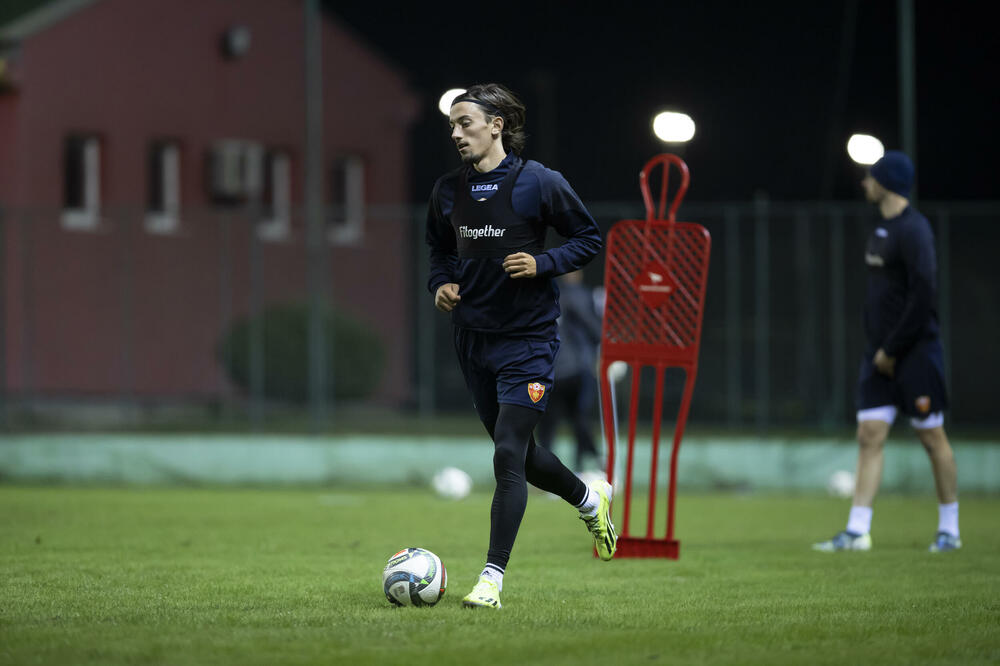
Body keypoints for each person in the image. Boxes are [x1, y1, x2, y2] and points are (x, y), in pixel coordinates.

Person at [425, 83, 616, 609]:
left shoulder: (540, 183)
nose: (457, 133)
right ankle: (587, 497)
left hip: (528, 340)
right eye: (453, 127)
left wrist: (543, 262)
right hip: (472, 340)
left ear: (496, 125)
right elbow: (439, 252)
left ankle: (491, 580)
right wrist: (439, 285)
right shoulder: (446, 191)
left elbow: (588, 239)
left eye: (466, 123)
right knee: (521, 455)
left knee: (507, 454)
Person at [813, 150, 960, 553]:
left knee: (932, 436)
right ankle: (857, 531)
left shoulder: (916, 231)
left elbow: (924, 294)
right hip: (878, 355)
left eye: (871, 177)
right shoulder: (881, 229)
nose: (865, 183)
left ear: (888, 182)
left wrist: (893, 348)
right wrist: (880, 349)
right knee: (869, 435)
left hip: (914, 353)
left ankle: (950, 529)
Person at [535, 269, 604, 474]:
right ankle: (589, 466)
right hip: (575, 370)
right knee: (578, 420)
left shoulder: (547, 298)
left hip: (549, 371)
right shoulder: (577, 296)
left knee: (549, 424)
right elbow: (594, 330)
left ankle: (545, 474)